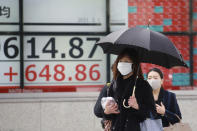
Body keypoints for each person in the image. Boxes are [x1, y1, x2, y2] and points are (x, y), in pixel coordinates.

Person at [94, 49, 156, 131]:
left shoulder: (142, 86)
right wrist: (106, 112)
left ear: (134, 64)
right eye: (120, 61)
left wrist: (138, 106)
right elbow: (97, 111)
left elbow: (152, 112)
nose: (122, 64)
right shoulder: (110, 86)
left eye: (126, 61)